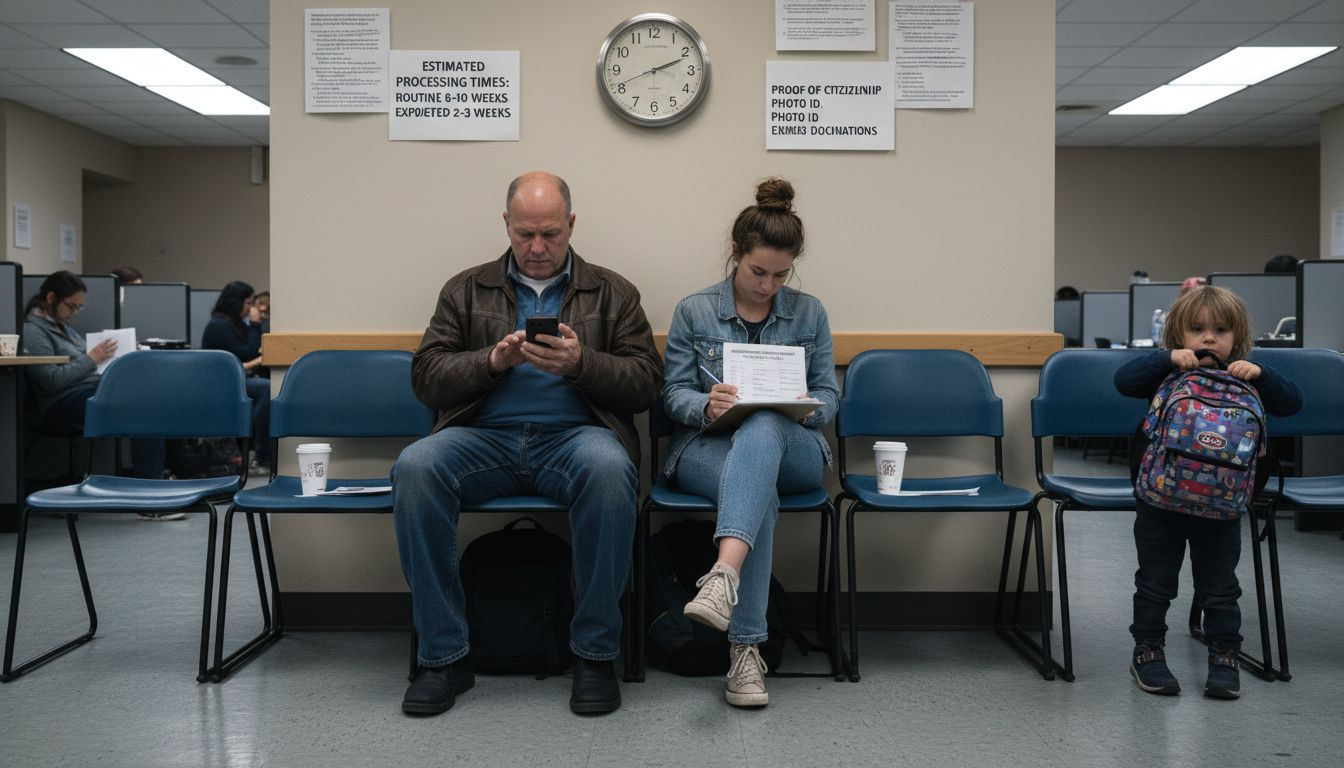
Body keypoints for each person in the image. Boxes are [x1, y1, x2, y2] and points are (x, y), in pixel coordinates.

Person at [393, 171, 661, 717]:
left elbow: (646, 382)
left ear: (572, 225)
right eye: (524, 234)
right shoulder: (465, 288)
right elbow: (426, 376)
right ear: (506, 226)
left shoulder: (614, 291)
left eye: (551, 234)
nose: (537, 248)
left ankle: (593, 653)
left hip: (576, 440)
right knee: (416, 467)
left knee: (610, 471)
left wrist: (583, 364)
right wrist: (491, 361)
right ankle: (444, 656)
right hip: (480, 440)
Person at [661, 178, 839, 707]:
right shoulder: (695, 311)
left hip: (796, 450)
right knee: (756, 492)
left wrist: (808, 402)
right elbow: (672, 392)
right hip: (706, 448)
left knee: (764, 426)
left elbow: (831, 394)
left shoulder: (810, 313)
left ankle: (722, 575)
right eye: (758, 271)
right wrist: (704, 404)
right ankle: (745, 657)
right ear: (735, 253)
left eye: (781, 275)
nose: (768, 285)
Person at [1114, 285, 1301, 700]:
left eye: (1220, 330)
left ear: (1239, 336)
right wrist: (1166, 359)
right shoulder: (1169, 371)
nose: (1209, 339)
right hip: (1160, 502)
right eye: (1197, 329)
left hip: (1223, 508)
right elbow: (1123, 380)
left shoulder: (1245, 374)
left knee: (1220, 588)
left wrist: (1262, 374)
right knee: (1155, 583)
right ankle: (1148, 653)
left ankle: (1224, 656)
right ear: (1179, 334)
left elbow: (1292, 403)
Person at [20, 271, 168, 516]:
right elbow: (51, 381)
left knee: (148, 403)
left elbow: (87, 365)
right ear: (50, 297)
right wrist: (92, 359)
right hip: (61, 402)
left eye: (79, 308)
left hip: (88, 391)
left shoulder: (63, 327)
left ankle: (154, 487)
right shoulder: (33, 330)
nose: (74, 313)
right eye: (71, 306)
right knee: (144, 410)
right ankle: (150, 498)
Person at [200, 281, 271, 472]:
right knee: (266, 389)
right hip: (222, 384)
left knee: (266, 386)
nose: (250, 309)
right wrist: (256, 324)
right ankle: (261, 454)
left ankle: (261, 452)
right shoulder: (219, 325)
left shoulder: (234, 324)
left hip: (236, 380)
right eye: (248, 303)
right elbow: (246, 352)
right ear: (236, 302)